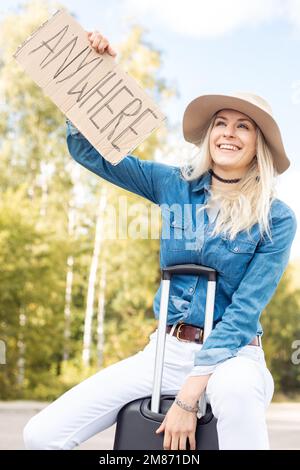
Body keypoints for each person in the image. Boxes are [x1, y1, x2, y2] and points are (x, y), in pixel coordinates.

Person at [23, 30, 297, 451]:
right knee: (40, 435)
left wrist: (189, 397)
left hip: (234, 356)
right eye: (220, 123)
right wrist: (96, 73)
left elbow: (244, 312)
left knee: (238, 394)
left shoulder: (276, 219)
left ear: (258, 143)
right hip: (166, 350)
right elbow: (90, 154)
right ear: (208, 135)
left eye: (243, 126)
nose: (229, 132)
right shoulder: (173, 184)